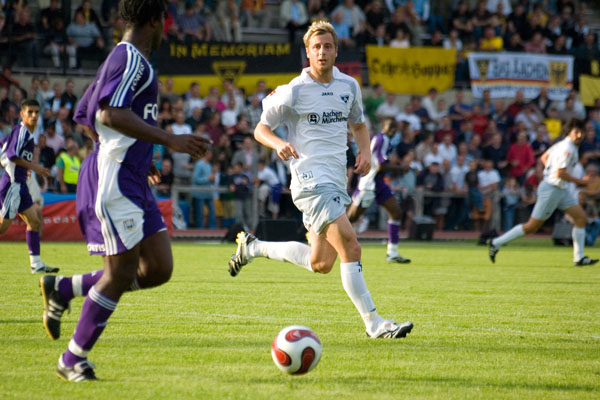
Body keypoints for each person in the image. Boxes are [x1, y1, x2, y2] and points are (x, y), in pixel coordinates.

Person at [38, 0, 209, 382]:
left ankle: (63, 288)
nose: (167, 28)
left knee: (158, 268)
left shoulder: (123, 59)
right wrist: (167, 139)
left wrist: (139, 151)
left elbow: (86, 116)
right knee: (121, 273)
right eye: (165, 21)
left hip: (130, 174)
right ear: (155, 21)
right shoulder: (131, 58)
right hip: (115, 178)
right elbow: (108, 113)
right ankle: (72, 359)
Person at [228, 21, 413, 339]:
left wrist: (365, 152)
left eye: (327, 46)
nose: (322, 52)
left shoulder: (349, 86)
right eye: (316, 47)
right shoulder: (294, 90)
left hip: (337, 181)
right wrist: (278, 143)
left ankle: (253, 248)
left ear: (336, 51)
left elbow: (359, 125)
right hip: (310, 181)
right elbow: (260, 128)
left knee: (321, 262)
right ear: (308, 52)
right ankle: (374, 323)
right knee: (351, 246)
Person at [489, 119, 599, 267]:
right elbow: (560, 173)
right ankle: (496, 242)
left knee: (580, 218)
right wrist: (581, 181)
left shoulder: (562, 144)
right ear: (569, 132)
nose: (580, 135)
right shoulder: (568, 148)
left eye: (582, 132)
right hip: (552, 189)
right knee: (531, 227)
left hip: (560, 189)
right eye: (576, 132)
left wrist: (549, 171)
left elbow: (544, 157)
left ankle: (579, 258)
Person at [0, 99, 56, 273]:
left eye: (36, 112)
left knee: (34, 221)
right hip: (13, 185)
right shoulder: (22, 131)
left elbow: (3, 148)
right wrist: (35, 167)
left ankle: (36, 264)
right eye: (29, 112)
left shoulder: (24, 132)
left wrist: (25, 169)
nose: (33, 115)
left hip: (21, 184)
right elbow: (11, 155)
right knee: (2, 228)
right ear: (22, 114)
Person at [347, 118, 410, 264]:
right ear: (388, 129)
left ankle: (392, 253)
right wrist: (401, 168)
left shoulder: (377, 138)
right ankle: (324, 240)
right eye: (392, 128)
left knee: (396, 212)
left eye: (394, 128)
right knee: (351, 218)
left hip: (379, 182)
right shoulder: (383, 139)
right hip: (369, 183)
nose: (393, 131)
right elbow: (381, 166)